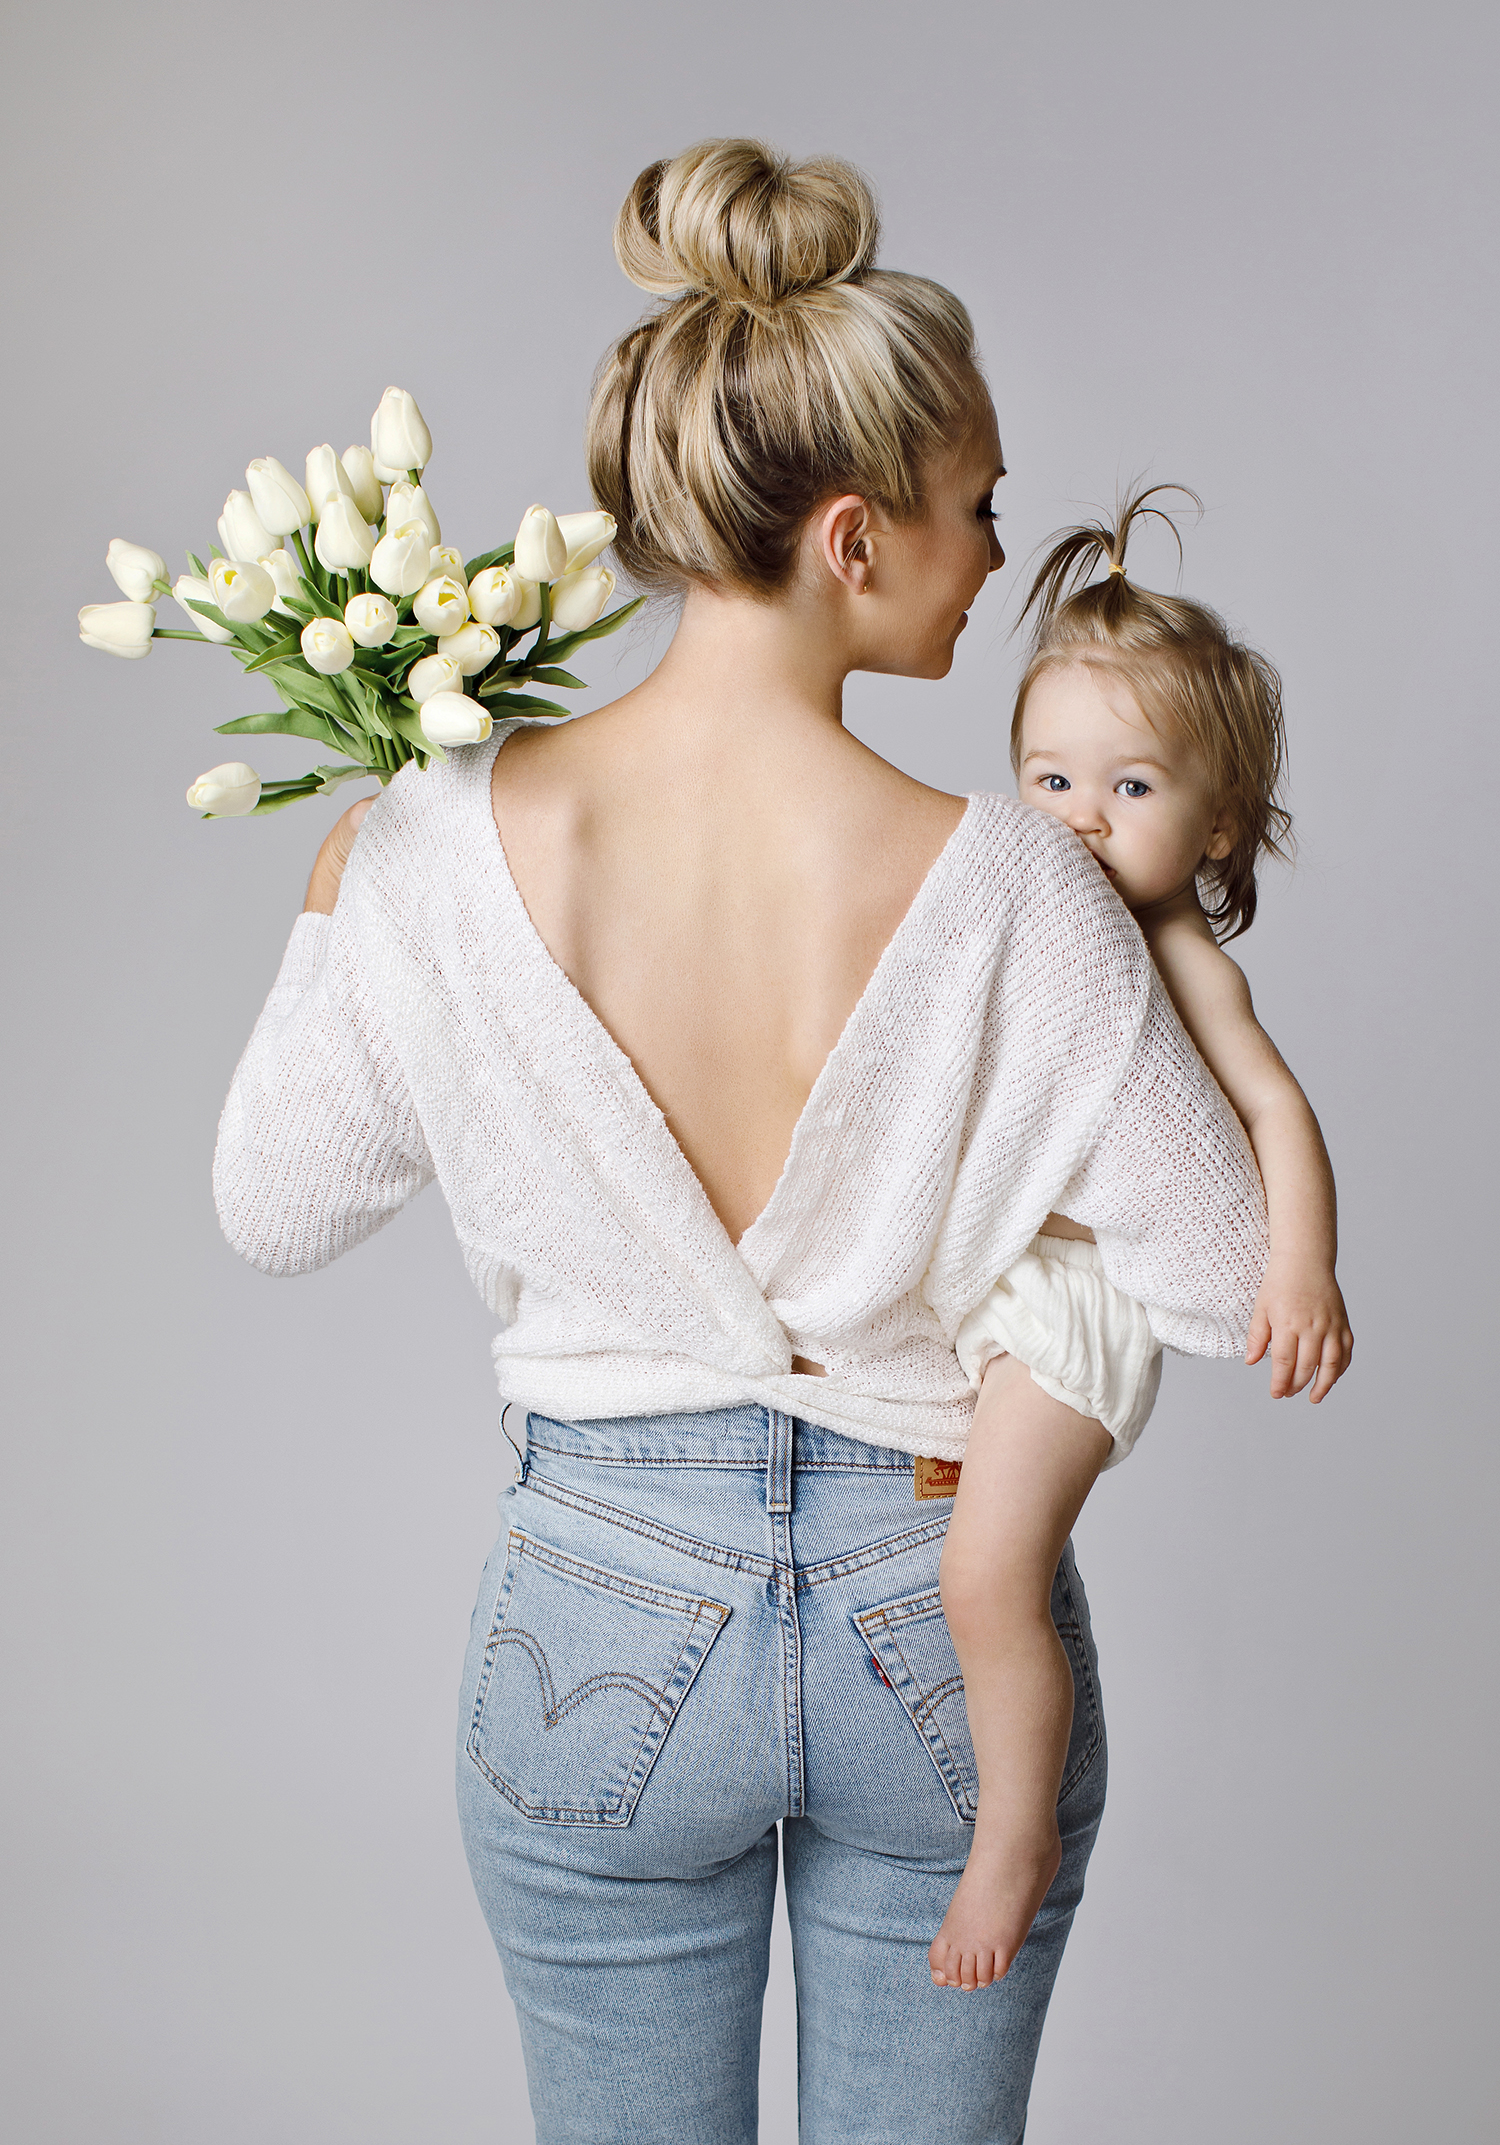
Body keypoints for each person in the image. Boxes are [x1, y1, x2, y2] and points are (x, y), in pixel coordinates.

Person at [213, 141, 1269, 2144]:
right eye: (979, 512)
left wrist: (350, 892)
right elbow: (1218, 1278)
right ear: (856, 537)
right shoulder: (1022, 891)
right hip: (936, 1607)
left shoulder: (436, 850)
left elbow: (273, 1208)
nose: (993, 560)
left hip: (598, 1613)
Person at [927, 488, 1353, 1992]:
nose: (1081, 818)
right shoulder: (1015, 909)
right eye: (1050, 777)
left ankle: (1015, 1829)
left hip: (1075, 1304)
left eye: (1131, 786)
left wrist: (1302, 1266)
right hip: (983, 1275)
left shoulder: (1183, 955)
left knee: (986, 1575)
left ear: (1218, 825)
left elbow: (1277, 1113)